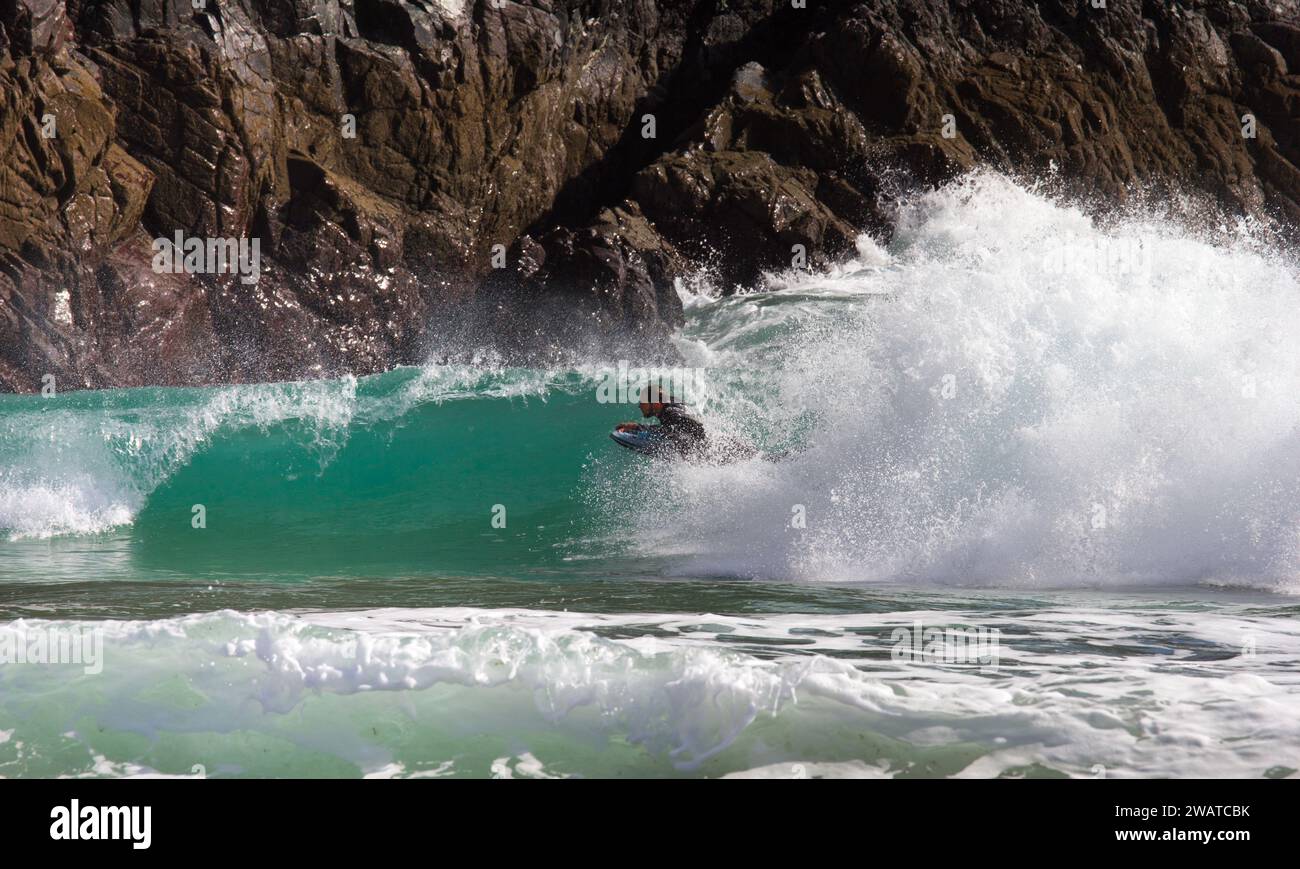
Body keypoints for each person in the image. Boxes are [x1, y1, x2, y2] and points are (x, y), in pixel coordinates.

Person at [615, 384, 707, 457]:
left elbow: (668, 428)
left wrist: (637, 427)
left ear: (655, 403)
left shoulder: (671, 414)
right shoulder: (671, 402)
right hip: (708, 443)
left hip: (705, 450)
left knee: (678, 441)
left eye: (643, 402)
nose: (640, 406)